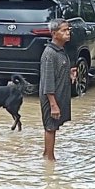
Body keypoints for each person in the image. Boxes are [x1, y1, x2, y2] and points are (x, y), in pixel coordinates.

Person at [39, 19, 77, 160]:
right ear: (54, 34)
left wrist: (69, 73)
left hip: (58, 96)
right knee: (50, 127)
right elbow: (48, 81)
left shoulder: (60, 51)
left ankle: (46, 154)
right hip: (51, 98)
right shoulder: (49, 54)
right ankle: (50, 159)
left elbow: (58, 72)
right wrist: (53, 105)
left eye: (68, 30)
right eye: (64, 30)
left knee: (53, 127)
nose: (68, 33)